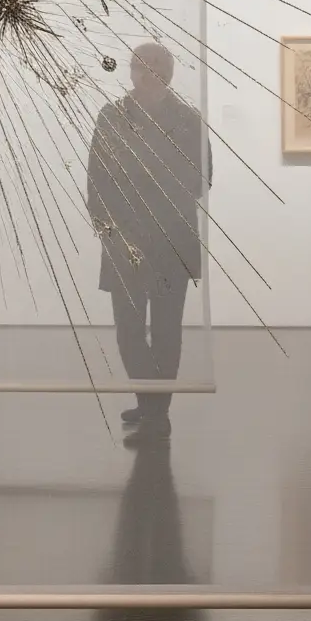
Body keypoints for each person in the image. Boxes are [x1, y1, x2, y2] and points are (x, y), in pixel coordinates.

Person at [87, 41, 208, 447]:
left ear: (168, 73)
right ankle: (149, 402)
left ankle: (157, 414)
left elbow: (200, 179)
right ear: (130, 71)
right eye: (139, 65)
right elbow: (96, 181)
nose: (147, 72)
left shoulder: (188, 120)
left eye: (155, 65)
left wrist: (154, 201)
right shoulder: (111, 117)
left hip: (172, 243)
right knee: (129, 330)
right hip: (126, 243)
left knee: (166, 330)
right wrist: (112, 230)